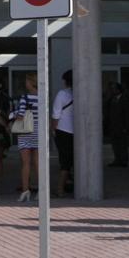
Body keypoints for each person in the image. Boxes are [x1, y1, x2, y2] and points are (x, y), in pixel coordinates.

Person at [11, 73, 40, 203]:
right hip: (38, 132)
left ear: (31, 82)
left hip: (26, 132)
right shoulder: (43, 97)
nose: (25, 84)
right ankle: (41, 191)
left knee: (26, 164)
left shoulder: (25, 97)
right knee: (38, 164)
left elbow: (20, 115)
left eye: (27, 81)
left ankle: (25, 191)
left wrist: (12, 114)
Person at [51, 70, 75, 198]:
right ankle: (69, 184)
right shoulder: (82, 93)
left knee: (64, 161)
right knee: (73, 160)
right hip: (77, 132)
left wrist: (53, 130)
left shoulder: (62, 94)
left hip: (63, 131)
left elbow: (56, 114)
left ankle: (60, 188)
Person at [105, 82, 129, 167]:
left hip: (121, 125)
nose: (113, 90)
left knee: (122, 144)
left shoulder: (125, 99)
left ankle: (124, 160)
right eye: (112, 89)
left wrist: (126, 126)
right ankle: (117, 160)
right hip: (113, 126)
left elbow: (128, 114)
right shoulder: (112, 99)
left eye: (114, 89)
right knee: (115, 144)